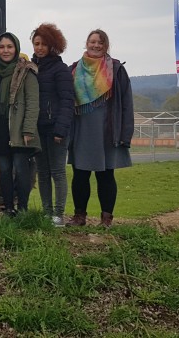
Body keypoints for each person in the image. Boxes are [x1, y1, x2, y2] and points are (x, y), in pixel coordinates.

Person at [67, 29, 134, 228]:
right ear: (86, 43)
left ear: (105, 46)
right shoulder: (74, 69)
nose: (96, 45)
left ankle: (106, 219)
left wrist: (125, 133)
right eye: (92, 41)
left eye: (100, 42)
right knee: (80, 175)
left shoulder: (116, 69)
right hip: (81, 130)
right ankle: (79, 216)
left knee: (106, 175)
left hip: (107, 131)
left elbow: (127, 104)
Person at [0, 32, 41, 216]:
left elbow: (33, 103)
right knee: (3, 170)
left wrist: (28, 129)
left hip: (19, 129)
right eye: (2, 47)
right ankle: (8, 208)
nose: (5, 51)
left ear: (16, 48)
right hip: (0, 128)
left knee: (20, 170)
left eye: (9, 47)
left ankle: (23, 208)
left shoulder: (27, 72)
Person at [31, 23, 74, 227]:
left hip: (56, 129)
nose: (39, 48)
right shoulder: (31, 68)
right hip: (38, 128)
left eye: (43, 44)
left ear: (52, 46)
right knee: (43, 172)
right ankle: (47, 212)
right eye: (36, 43)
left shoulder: (60, 70)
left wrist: (60, 129)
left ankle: (58, 214)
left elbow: (67, 101)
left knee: (57, 172)